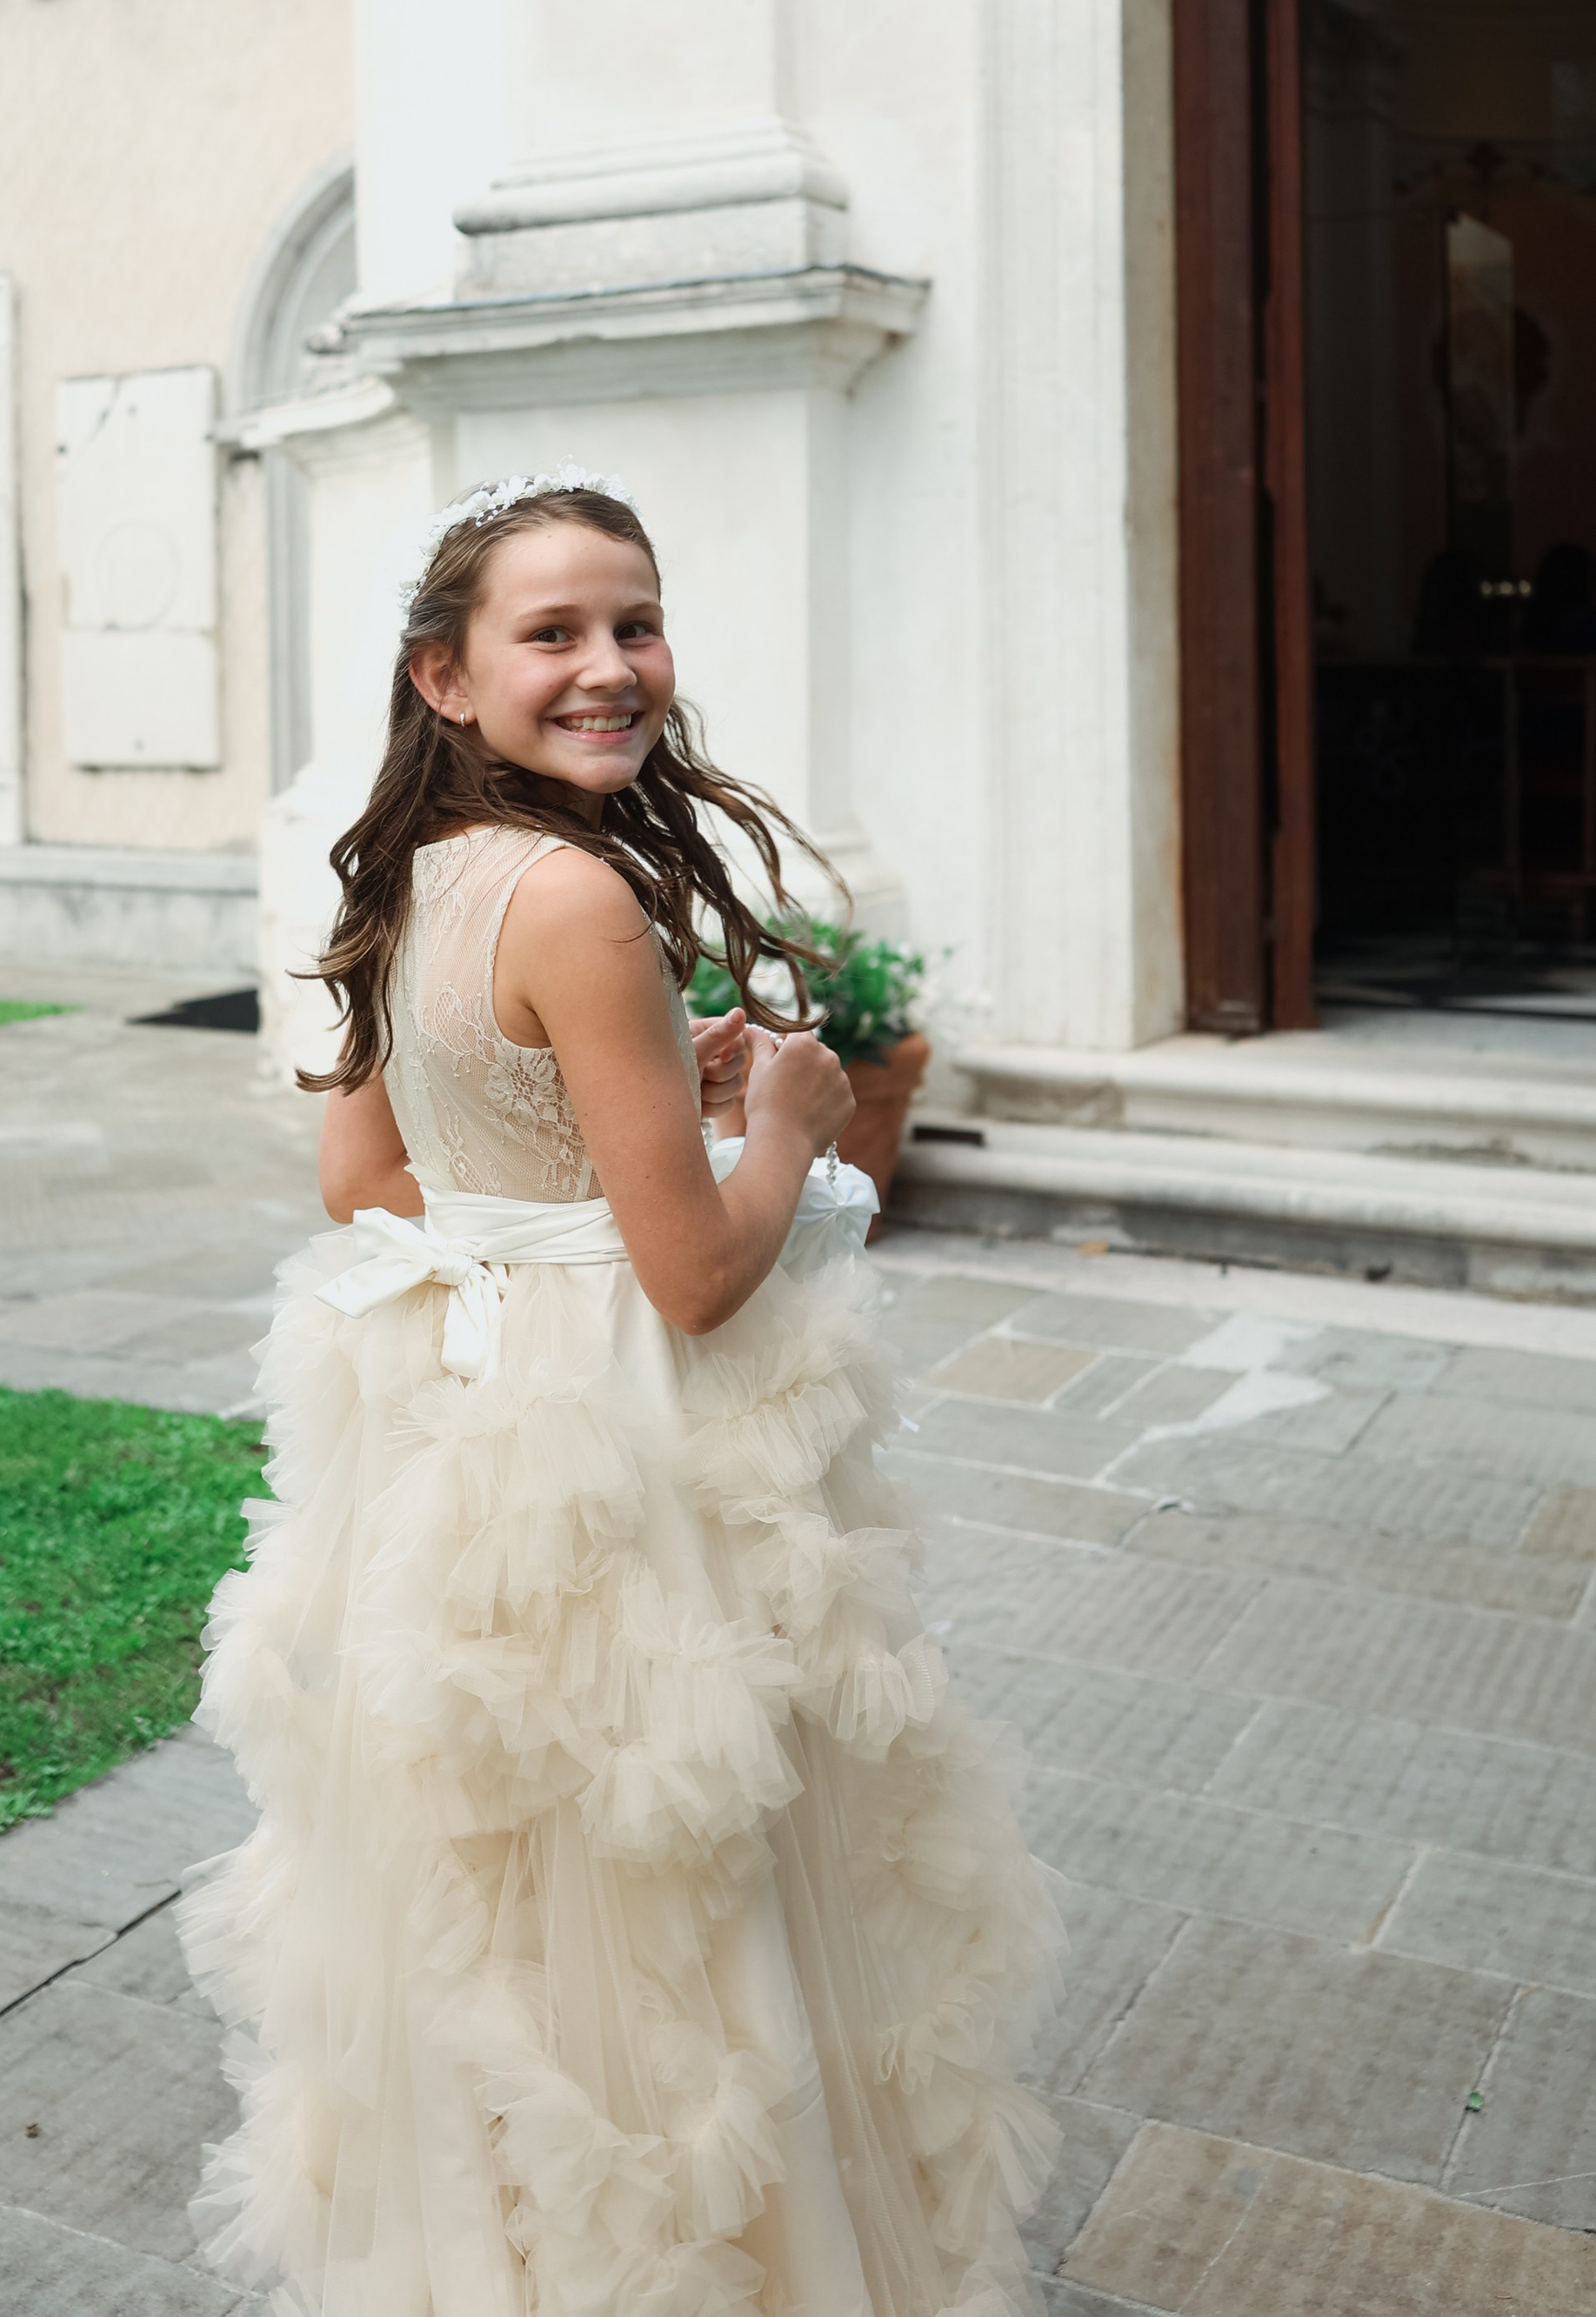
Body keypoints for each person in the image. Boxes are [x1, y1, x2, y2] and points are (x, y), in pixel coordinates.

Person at [178, 471, 1059, 2316]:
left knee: (497, 1897)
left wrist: (611, 1129)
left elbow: (364, 1184)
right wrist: (791, 1122)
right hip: (623, 1446)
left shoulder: (410, 877)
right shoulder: (579, 896)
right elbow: (698, 1271)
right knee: (682, 1889)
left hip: (462, 1437)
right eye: (550, 633)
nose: (607, 668)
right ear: (445, 674)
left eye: (632, 623)